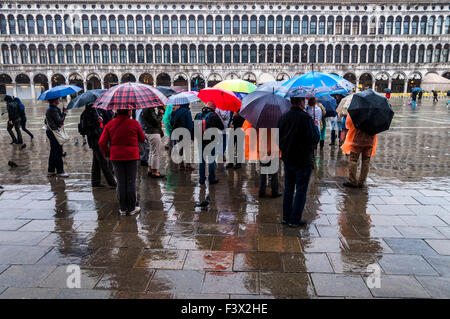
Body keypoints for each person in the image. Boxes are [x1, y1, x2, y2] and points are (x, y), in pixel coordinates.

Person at [278, 97, 320, 227]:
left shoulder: (283, 117)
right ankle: (295, 219)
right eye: (304, 101)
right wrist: (315, 126)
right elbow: (315, 138)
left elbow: (277, 137)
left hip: (288, 158)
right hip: (303, 160)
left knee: (288, 188)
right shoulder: (306, 118)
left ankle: (286, 217)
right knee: (301, 190)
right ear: (301, 102)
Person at [99, 109, 146, 215]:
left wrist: (107, 153)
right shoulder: (134, 123)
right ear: (128, 112)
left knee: (120, 182)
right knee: (131, 182)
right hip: (132, 156)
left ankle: (123, 208)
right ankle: (131, 207)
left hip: (116, 156)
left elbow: (102, 142)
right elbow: (142, 138)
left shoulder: (110, 124)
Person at [78, 104, 116, 188]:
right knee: (103, 161)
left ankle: (95, 182)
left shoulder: (96, 111)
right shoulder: (87, 113)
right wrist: (96, 122)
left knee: (96, 161)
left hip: (99, 137)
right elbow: (85, 128)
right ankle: (112, 183)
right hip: (94, 139)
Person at [341, 114, 377, 188]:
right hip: (370, 139)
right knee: (366, 161)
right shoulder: (375, 113)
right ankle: (361, 182)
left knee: (353, 160)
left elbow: (348, 123)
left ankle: (352, 181)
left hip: (358, 139)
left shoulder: (358, 110)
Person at [195, 101, 224, 185]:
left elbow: (194, 128)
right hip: (211, 141)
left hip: (200, 140)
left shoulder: (198, 115)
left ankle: (201, 179)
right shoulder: (214, 115)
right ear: (214, 108)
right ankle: (211, 178)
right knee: (211, 160)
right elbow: (221, 127)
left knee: (201, 160)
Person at [45, 98, 68, 177]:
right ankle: (60, 171)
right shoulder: (53, 110)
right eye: (58, 99)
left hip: (51, 132)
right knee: (58, 152)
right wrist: (64, 113)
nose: (59, 100)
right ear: (55, 100)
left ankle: (51, 171)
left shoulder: (50, 109)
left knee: (53, 152)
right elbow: (60, 121)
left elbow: (46, 121)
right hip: (54, 133)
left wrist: (61, 112)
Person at [141, 106, 165, 178]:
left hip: (149, 132)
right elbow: (156, 121)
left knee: (152, 152)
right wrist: (160, 114)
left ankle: (151, 169)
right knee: (155, 153)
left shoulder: (145, 109)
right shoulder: (149, 109)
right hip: (154, 132)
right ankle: (155, 171)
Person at [170, 103, 194, 170]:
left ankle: (181, 165)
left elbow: (171, 122)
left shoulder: (175, 111)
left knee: (180, 148)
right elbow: (189, 124)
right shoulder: (187, 111)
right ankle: (188, 165)